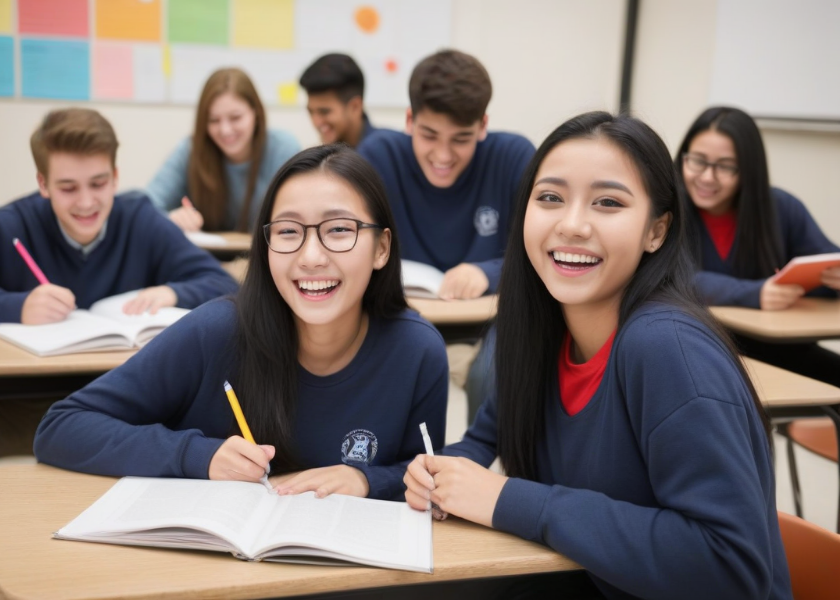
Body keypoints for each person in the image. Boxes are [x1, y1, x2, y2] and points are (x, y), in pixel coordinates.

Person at [404, 112, 791, 599]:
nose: (572, 224)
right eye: (549, 198)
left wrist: (514, 500)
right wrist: (433, 473)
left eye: (608, 202)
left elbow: (730, 568)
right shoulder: (536, 330)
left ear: (657, 231)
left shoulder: (666, 348)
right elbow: (484, 441)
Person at [35, 145, 448, 501]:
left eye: (338, 229)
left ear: (381, 248)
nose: (311, 256)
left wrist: (365, 478)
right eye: (288, 231)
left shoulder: (417, 352)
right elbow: (62, 427)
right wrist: (199, 455)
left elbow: (422, 472)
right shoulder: (216, 331)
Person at [0, 108, 239, 549]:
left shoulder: (137, 218)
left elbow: (220, 283)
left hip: (122, 404)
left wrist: (173, 291)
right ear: (42, 184)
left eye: (98, 184)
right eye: (67, 187)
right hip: (9, 400)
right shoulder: (10, 226)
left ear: (116, 177)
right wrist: (12, 304)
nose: (85, 202)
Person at [676, 106, 840, 387]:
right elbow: (670, 277)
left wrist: (832, 280)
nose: (706, 177)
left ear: (748, 169)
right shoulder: (667, 209)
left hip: (778, 349)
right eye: (697, 161)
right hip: (696, 350)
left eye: (725, 166)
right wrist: (755, 293)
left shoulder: (780, 207)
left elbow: (823, 264)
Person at [358, 49, 534, 300]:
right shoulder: (379, 156)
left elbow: (544, 252)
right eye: (429, 135)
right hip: (397, 321)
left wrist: (491, 273)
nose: (443, 156)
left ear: (483, 125)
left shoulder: (513, 157)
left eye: (461, 139)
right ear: (410, 120)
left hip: (488, 323)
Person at [147, 67, 300, 233]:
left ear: (255, 113)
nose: (225, 130)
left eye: (235, 118)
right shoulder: (191, 150)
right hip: (208, 256)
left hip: (269, 256)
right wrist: (171, 219)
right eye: (213, 120)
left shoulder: (283, 149)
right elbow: (146, 209)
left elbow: (301, 216)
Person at [299, 53, 386, 148]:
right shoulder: (323, 157)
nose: (316, 122)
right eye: (310, 112)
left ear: (355, 107)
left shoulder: (386, 151)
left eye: (324, 112)